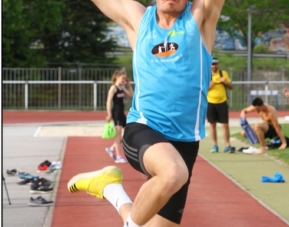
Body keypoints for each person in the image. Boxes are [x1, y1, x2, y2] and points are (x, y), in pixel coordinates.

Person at [67, 1, 225, 227]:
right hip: (144, 128)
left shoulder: (201, 16)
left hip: (185, 142)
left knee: (152, 220)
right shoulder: (139, 19)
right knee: (173, 173)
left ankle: (111, 189)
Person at [105, 69, 134, 163]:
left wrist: (129, 85)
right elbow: (108, 101)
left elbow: (131, 95)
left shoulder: (122, 88)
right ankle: (118, 156)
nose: (124, 80)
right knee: (118, 135)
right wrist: (109, 114)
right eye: (122, 78)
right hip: (116, 113)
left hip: (122, 113)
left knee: (127, 132)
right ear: (117, 77)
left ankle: (112, 148)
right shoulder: (113, 88)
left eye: (125, 79)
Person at [207, 57, 233, 153]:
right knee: (212, 124)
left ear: (218, 64)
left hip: (222, 102)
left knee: (225, 125)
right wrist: (208, 86)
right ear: (210, 65)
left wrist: (226, 82)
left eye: (215, 64)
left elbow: (231, 87)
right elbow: (201, 89)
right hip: (210, 102)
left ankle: (227, 145)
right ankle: (215, 145)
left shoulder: (223, 74)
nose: (214, 66)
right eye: (212, 64)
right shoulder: (207, 75)